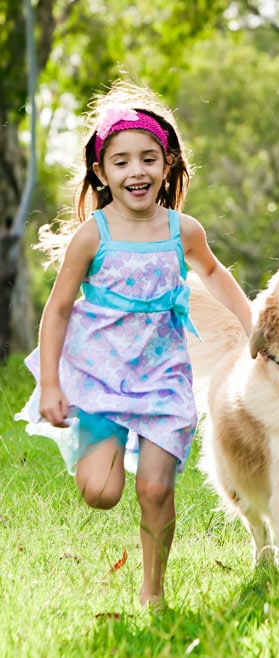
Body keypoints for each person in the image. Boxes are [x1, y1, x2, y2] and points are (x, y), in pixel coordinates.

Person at [17, 80, 252, 606]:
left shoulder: (182, 230)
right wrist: (52, 383)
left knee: (155, 489)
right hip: (99, 375)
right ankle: (96, 441)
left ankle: (153, 590)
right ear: (102, 173)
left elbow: (213, 274)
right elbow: (56, 310)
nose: (136, 172)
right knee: (101, 493)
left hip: (164, 375)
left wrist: (251, 321)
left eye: (148, 159)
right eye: (121, 162)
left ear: (167, 164)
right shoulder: (92, 235)